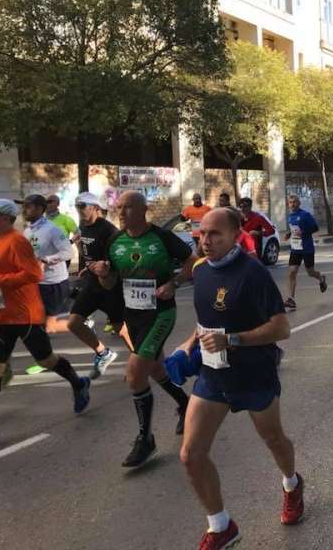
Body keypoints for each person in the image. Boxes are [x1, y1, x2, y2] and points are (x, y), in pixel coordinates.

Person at [179, 208, 303, 549]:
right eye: (202, 233)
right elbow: (206, 322)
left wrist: (233, 340)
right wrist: (187, 345)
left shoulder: (253, 273)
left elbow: (281, 328)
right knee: (191, 454)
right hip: (213, 374)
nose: (206, 240)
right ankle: (221, 526)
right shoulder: (201, 269)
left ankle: (292, 484)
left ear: (236, 236)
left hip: (253, 372)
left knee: (273, 439)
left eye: (215, 234)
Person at [93, 191, 196, 467]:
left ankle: (146, 438)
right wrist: (103, 274)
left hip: (161, 314)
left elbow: (192, 261)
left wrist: (174, 284)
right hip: (133, 316)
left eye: (127, 207)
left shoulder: (162, 237)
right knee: (155, 368)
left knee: (135, 374)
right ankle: (185, 403)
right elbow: (109, 283)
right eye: (118, 207)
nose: (121, 212)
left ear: (143, 210)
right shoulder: (115, 241)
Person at [0, 199, 90, 445]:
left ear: (5, 219)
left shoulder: (17, 241)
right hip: (1, 316)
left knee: (46, 360)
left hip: (26, 316)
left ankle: (78, 383)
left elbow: (33, 273)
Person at [68, 192, 122, 380]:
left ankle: (141, 362)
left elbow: (117, 259)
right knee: (74, 323)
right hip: (92, 283)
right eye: (77, 206)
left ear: (96, 207)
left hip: (110, 286)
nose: (79, 209)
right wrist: (87, 267)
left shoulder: (109, 230)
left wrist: (107, 268)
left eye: (82, 206)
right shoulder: (83, 227)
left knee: (120, 328)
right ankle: (103, 352)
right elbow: (88, 252)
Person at [22, 194, 74, 335]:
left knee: (49, 327)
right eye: (23, 206)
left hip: (53, 283)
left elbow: (68, 253)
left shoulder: (52, 230)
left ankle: (80, 324)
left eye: (28, 206)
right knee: (35, 323)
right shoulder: (27, 231)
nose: (24, 210)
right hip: (35, 282)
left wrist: (46, 260)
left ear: (40, 209)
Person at [283, 196, 327, 310]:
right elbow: (294, 229)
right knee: (292, 272)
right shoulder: (290, 216)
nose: (292, 204)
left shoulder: (305, 215)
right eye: (290, 202)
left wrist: (303, 232)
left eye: (294, 202)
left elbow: (315, 228)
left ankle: (321, 278)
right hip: (295, 249)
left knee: (310, 272)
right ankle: (291, 299)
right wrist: (289, 234)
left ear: (299, 203)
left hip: (307, 248)